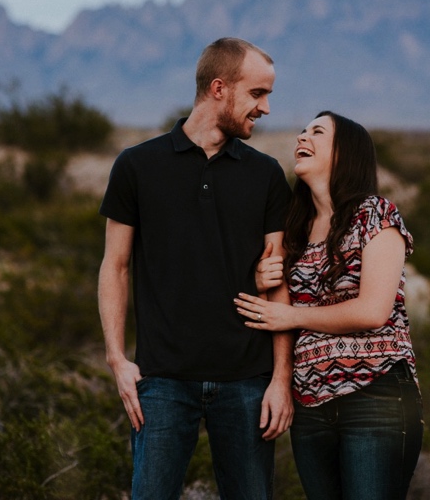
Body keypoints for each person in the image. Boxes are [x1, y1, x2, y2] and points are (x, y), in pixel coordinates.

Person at [97, 37, 295, 499]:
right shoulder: (137, 166)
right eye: (258, 93)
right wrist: (116, 358)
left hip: (247, 380)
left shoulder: (265, 174)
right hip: (162, 379)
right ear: (220, 88)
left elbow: (278, 281)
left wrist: (280, 380)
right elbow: (115, 266)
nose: (265, 108)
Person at [235, 110, 422, 500]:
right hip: (310, 403)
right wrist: (260, 281)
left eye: (317, 132)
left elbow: (372, 311)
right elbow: (276, 300)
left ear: (344, 154)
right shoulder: (295, 229)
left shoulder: (376, 214)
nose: (302, 136)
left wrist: (291, 315)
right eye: (303, 130)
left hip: (375, 394)